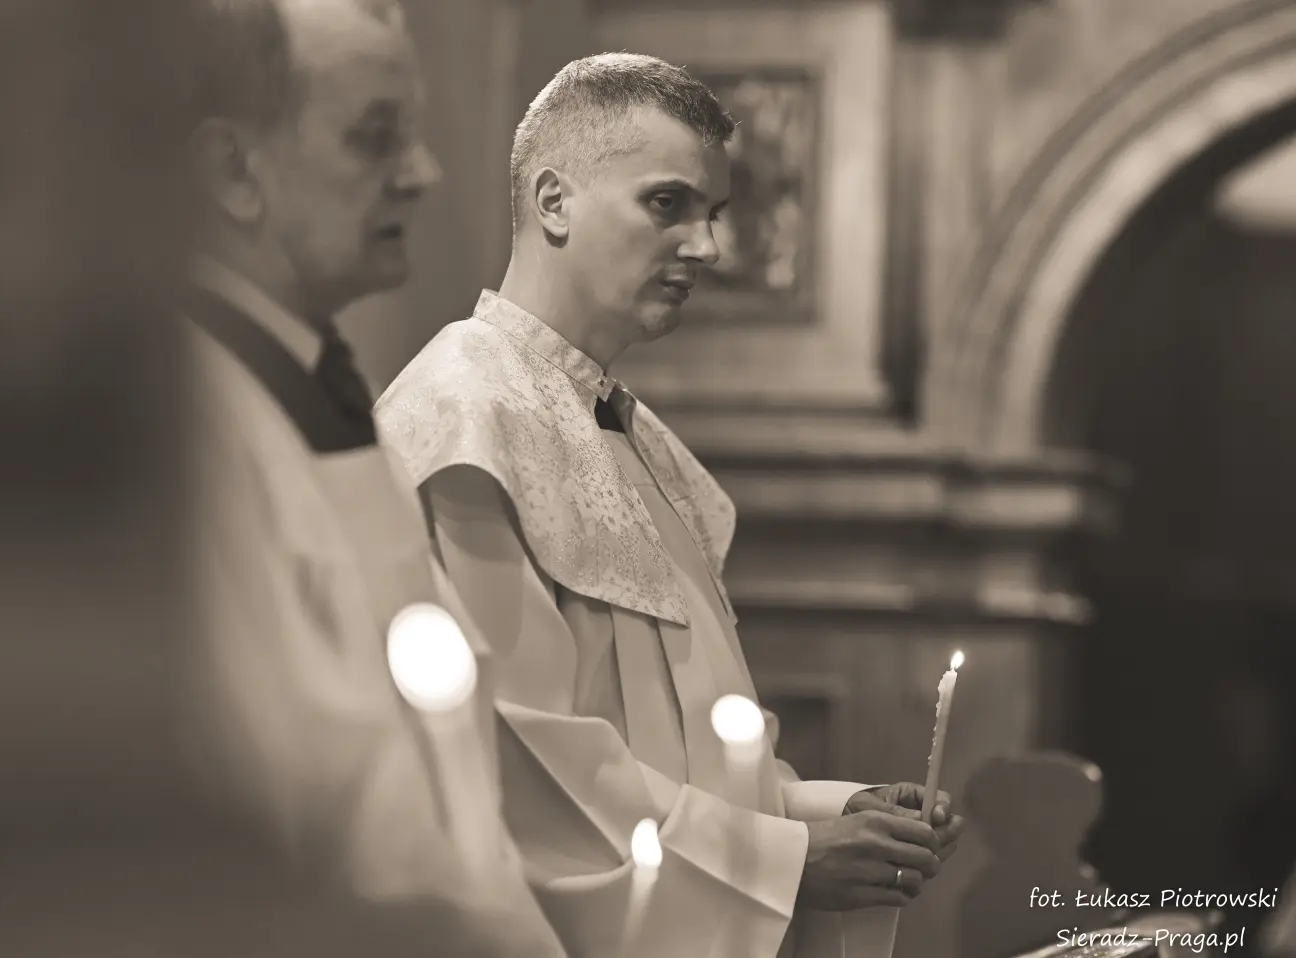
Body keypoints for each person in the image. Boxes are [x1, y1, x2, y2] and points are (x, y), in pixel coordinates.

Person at [375, 53, 964, 958]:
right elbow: (512, 760)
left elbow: (691, 750)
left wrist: (829, 813)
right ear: (554, 201)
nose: (708, 247)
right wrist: (785, 862)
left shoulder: (638, 439)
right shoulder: (463, 413)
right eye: (668, 204)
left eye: (713, 213)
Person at [182, 0, 565, 954]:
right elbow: (300, 811)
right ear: (233, 170)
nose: (424, 172)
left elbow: (445, 789)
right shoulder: (188, 439)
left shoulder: (324, 391)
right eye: (375, 137)